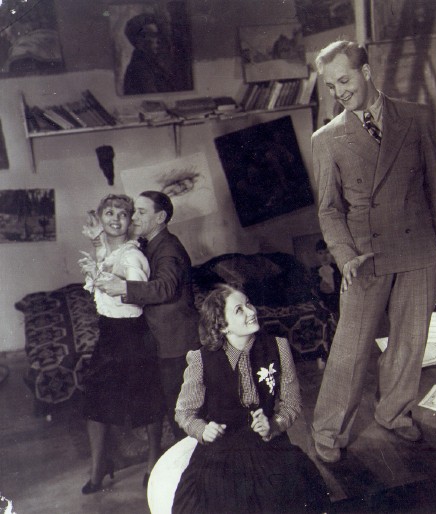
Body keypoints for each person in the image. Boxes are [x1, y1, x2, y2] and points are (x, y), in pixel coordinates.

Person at [310, 40, 436, 463]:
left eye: (344, 80)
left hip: (417, 248)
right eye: (331, 87)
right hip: (364, 257)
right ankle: (328, 430)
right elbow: (329, 210)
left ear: (366, 71)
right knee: (350, 350)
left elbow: (435, 187)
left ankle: (394, 412)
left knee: (409, 343)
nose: (339, 92)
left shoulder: (415, 116)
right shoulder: (327, 139)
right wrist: (345, 258)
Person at [172, 284, 329, 513]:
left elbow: (292, 403)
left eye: (248, 304)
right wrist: (202, 429)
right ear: (222, 325)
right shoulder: (200, 360)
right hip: (221, 454)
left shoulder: (278, 347)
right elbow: (184, 412)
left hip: (268, 445)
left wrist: (274, 425)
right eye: (239, 310)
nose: (251, 311)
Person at [96, 191, 200, 443]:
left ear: (160, 217)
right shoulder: (150, 243)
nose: (134, 218)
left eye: (141, 212)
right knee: (175, 405)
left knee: (182, 410)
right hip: (164, 339)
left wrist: (124, 288)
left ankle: (193, 458)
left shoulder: (168, 249)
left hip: (176, 342)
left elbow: (165, 287)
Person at [78, 194, 165, 494]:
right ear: (101, 217)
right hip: (109, 333)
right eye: (109, 213)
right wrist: (97, 247)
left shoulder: (132, 256)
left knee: (147, 402)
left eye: (123, 214)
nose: (115, 219)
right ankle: (99, 466)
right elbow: (102, 265)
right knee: (95, 401)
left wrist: (108, 281)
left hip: (132, 334)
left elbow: (137, 299)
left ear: (130, 221)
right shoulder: (106, 250)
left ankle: (153, 462)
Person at [122, 13, 175, 95]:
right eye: (153, 35)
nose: (158, 40)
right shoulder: (139, 68)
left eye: (158, 35)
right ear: (139, 40)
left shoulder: (151, 64)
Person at [311, 238, 341, 315]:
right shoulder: (314, 272)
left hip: (339, 305)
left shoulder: (339, 269)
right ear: (316, 255)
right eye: (320, 253)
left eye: (327, 252)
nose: (324, 257)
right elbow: (313, 292)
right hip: (323, 309)